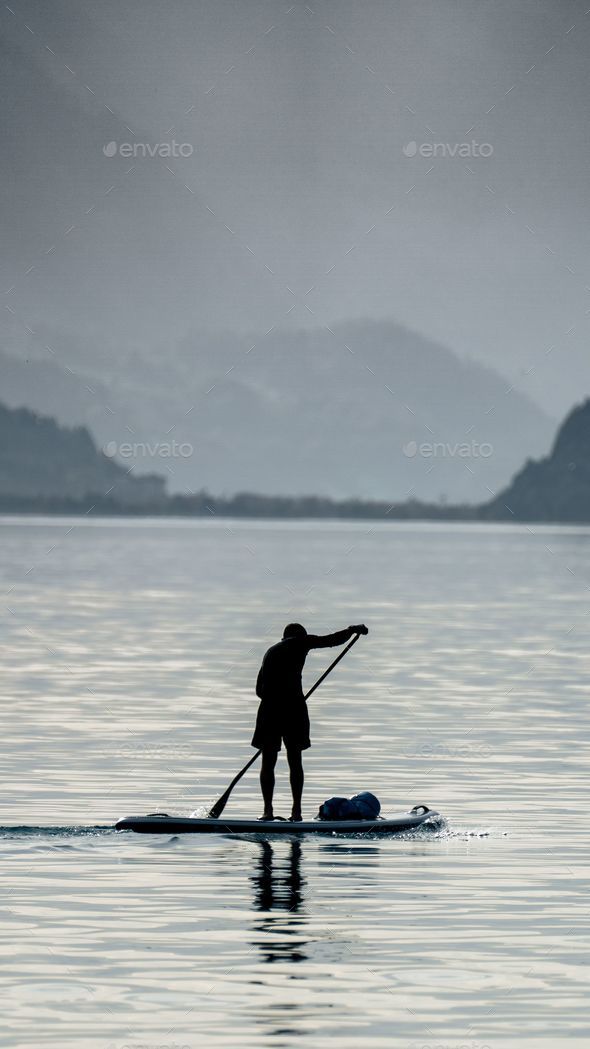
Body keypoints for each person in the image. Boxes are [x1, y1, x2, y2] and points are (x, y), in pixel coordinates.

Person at [252, 622, 369, 821]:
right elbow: (331, 640)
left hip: (269, 710)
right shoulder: (299, 642)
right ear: (299, 636)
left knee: (268, 761)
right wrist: (352, 630)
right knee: (295, 760)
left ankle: (267, 812)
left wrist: (277, 696)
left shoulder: (269, 652)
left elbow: (259, 691)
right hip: (293, 709)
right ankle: (296, 812)